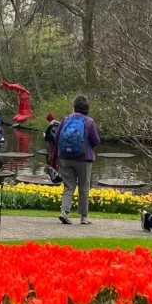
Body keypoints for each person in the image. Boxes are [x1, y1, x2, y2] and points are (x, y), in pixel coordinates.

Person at [49, 95, 101, 225]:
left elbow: (56, 137)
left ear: (74, 107)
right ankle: (84, 217)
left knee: (68, 186)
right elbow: (96, 141)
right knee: (84, 187)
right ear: (86, 109)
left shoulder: (65, 119)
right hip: (84, 158)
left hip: (65, 158)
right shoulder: (89, 122)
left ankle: (64, 212)